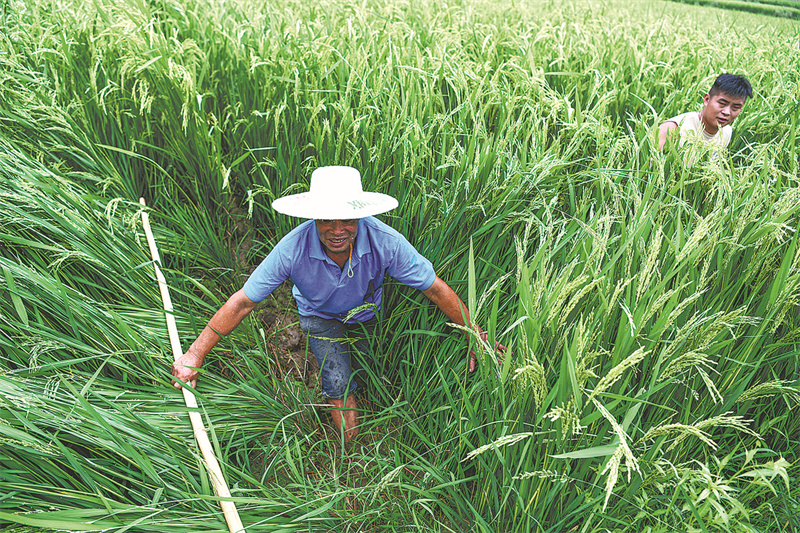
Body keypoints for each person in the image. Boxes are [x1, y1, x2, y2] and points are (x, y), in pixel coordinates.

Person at [171, 166, 503, 443]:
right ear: (314, 218)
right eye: (327, 219)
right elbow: (243, 303)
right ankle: (352, 455)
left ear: (360, 216)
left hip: (369, 312)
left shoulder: (386, 242)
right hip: (320, 315)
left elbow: (434, 289)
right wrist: (194, 355)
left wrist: (475, 333)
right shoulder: (292, 249)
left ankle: (367, 415)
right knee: (338, 380)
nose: (337, 230)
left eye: (347, 219)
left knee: (375, 369)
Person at [658, 73, 752, 152]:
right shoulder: (673, 129)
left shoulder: (726, 133)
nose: (727, 112)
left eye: (735, 107)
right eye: (722, 103)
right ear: (707, 99)